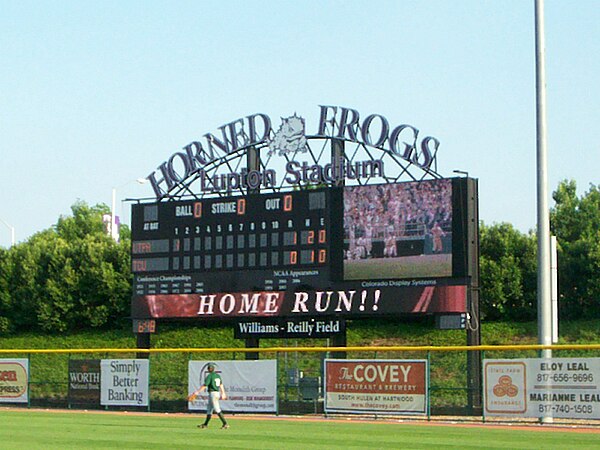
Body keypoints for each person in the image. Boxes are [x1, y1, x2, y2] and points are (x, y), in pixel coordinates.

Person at [196, 363, 229, 429]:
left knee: (217, 409)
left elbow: (205, 385)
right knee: (209, 409)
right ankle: (205, 424)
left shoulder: (210, 376)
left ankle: (225, 423)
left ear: (208, 369)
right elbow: (221, 385)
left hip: (213, 393)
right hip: (217, 393)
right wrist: (223, 393)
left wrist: (197, 392)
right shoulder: (217, 376)